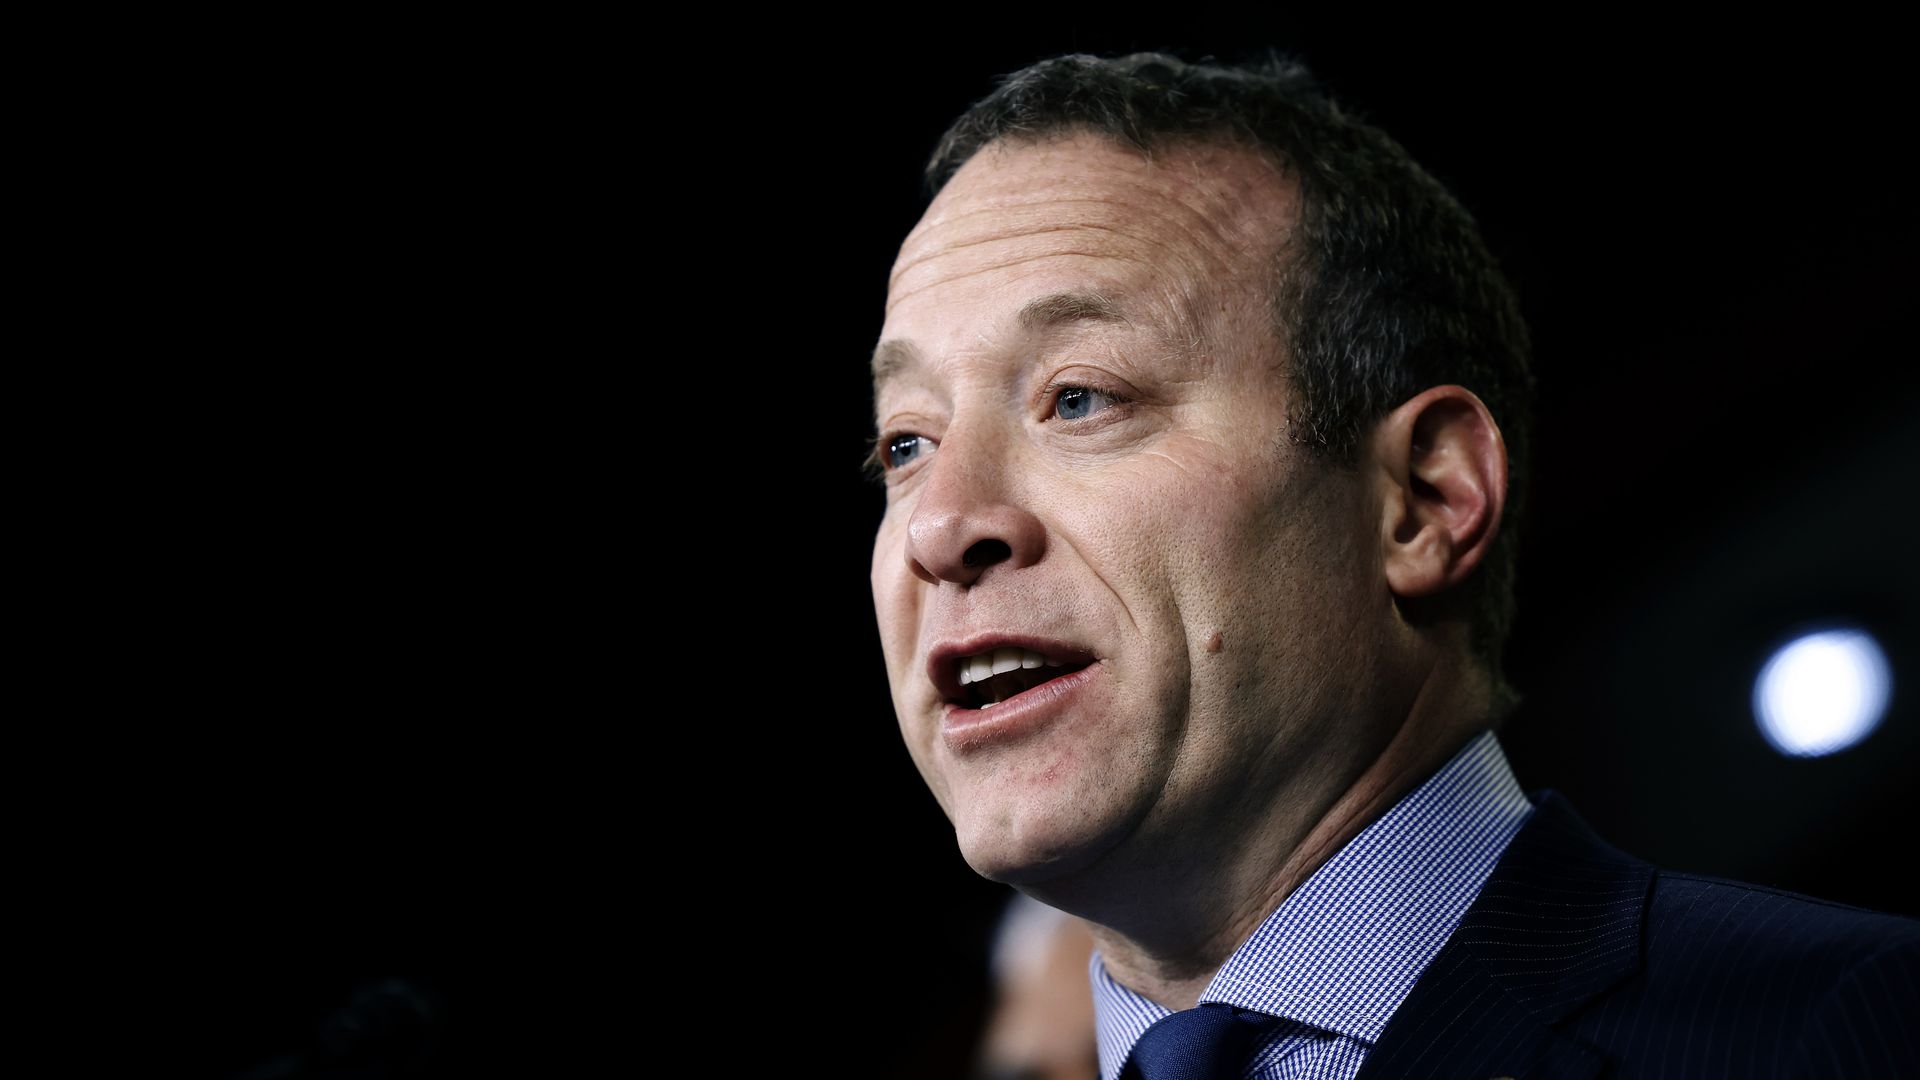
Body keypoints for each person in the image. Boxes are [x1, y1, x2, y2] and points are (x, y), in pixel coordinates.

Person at [865, 51, 1919, 1078]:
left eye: (1081, 396)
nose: (938, 525)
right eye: (905, 443)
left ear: (1425, 501)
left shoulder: (1847, 1031)